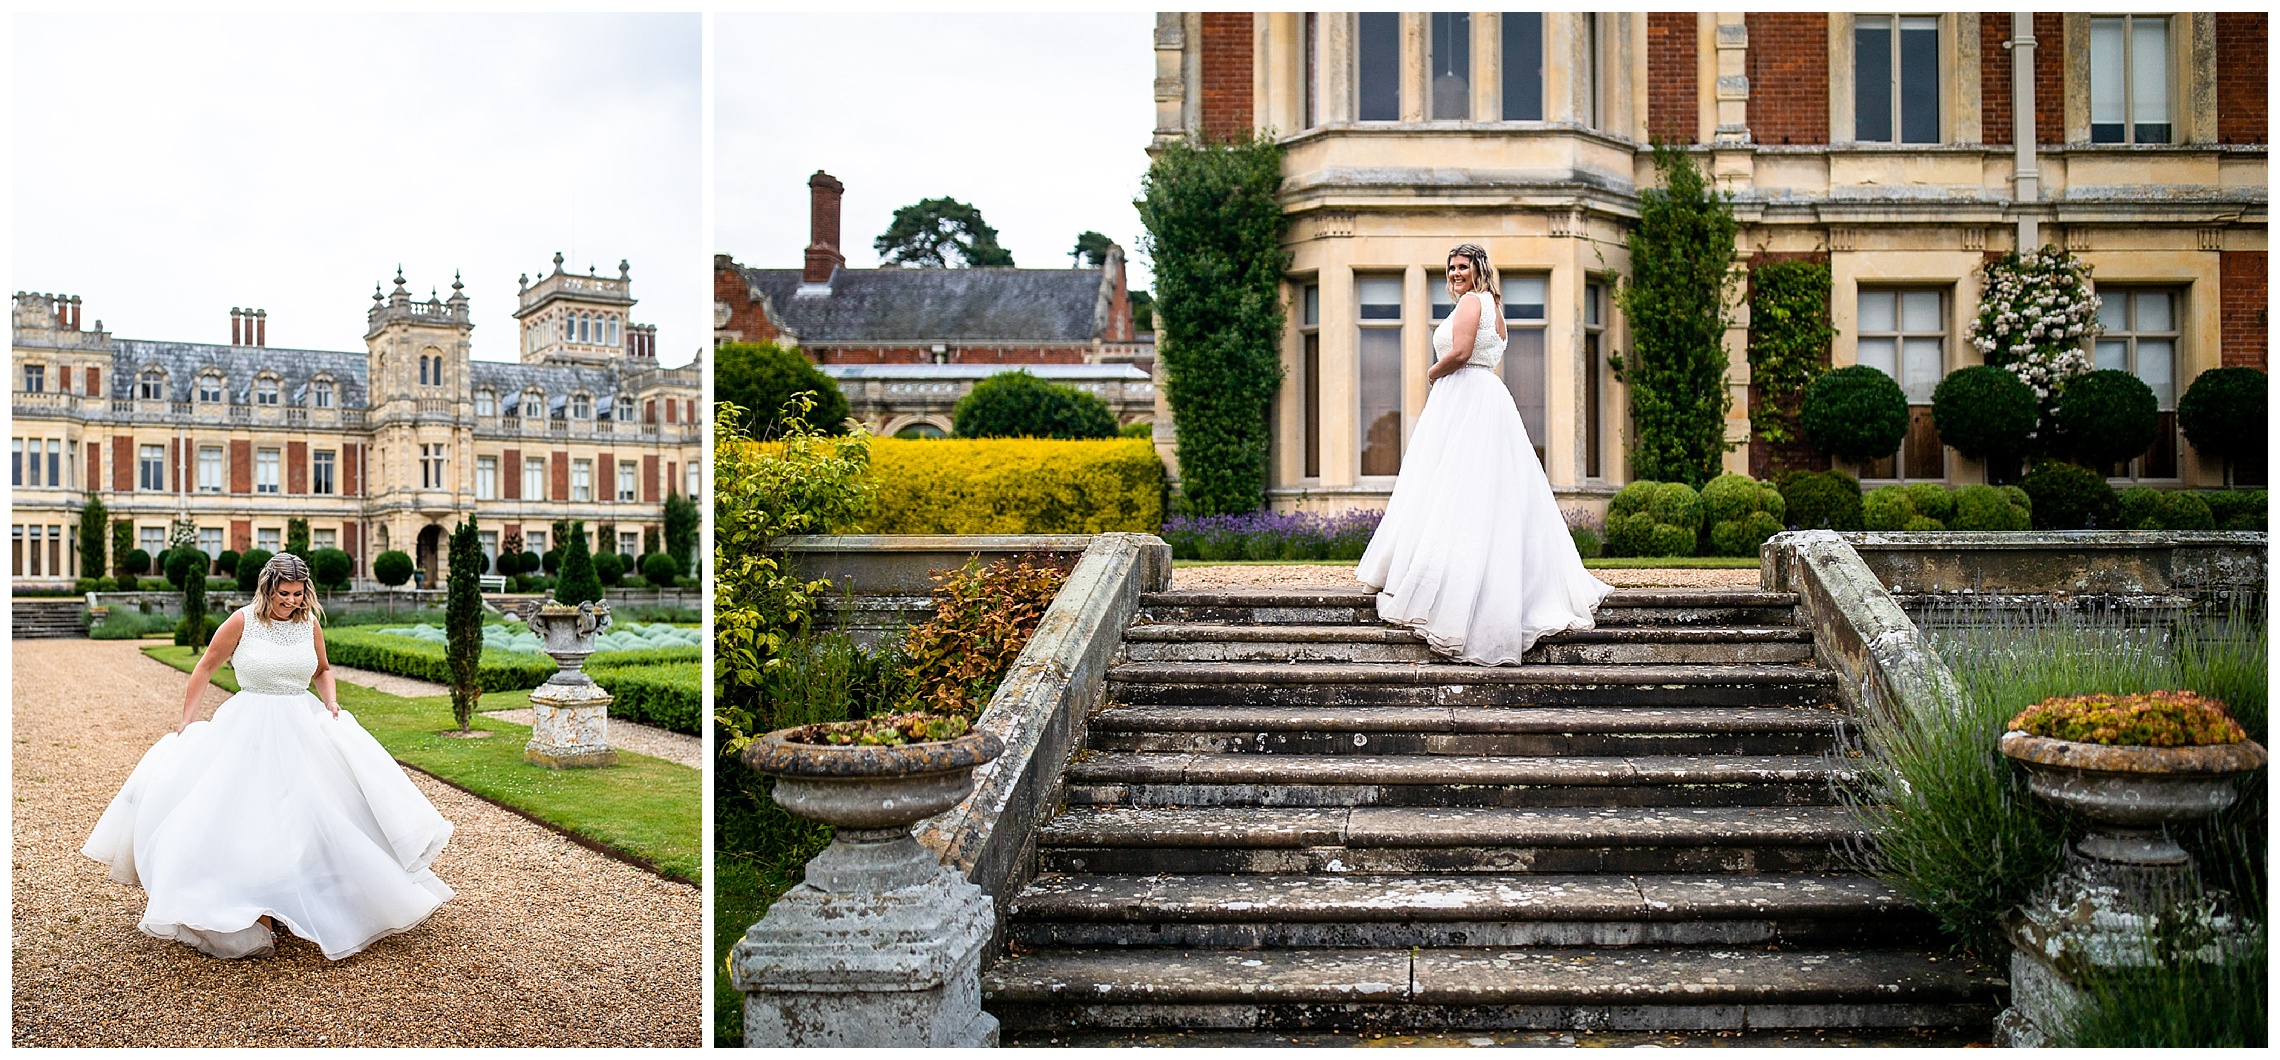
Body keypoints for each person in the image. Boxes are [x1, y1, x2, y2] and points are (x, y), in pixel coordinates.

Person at [83, 552, 454, 959]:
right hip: (249, 727)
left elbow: (323, 670)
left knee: (313, 811)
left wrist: (330, 704)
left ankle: (309, 895)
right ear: (267, 589)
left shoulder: (309, 624)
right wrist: (187, 721)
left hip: (300, 723)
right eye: (284, 594)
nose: (291, 601)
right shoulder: (242, 621)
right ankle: (254, 909)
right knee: (247, 815)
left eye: (298, 594)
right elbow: (205, 667)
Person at [1355, 243, 1614, 664]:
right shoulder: (1492, 304)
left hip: (1465, 396)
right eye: (1452, 267)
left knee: (1451, 487)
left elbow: (1459, 353)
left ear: (1479, 270)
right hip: (1485, 397)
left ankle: (1446, 589)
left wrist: (1431, 372)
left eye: (1464, 266)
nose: (1456, 273)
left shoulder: (1472, 303)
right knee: (1477, 492)